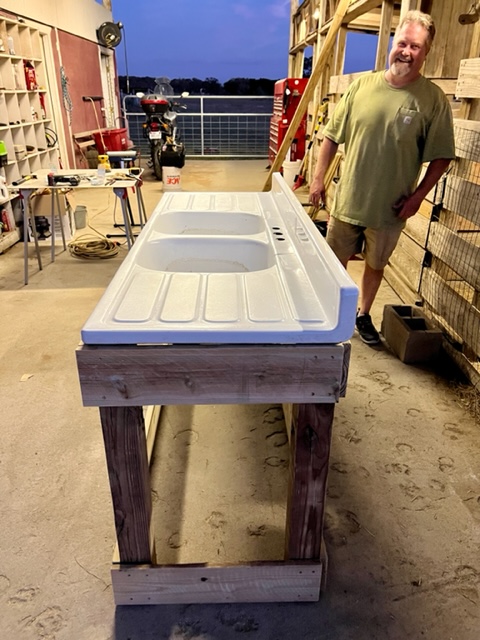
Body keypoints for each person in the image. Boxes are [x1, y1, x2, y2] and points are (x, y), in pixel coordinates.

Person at [309, 10, 455, 345]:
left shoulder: (432, 99)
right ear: (392, 43)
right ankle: (331, 313)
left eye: (415, 47)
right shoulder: (362, 86)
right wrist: (317, 180)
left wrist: (417, 198)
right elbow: (331, 136)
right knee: (335, 262)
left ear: (426, 52)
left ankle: (362, 314)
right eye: (402, 43)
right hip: (348, 199)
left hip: (391, 207)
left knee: (375, 265)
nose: (406, 51)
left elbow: (442, 156)